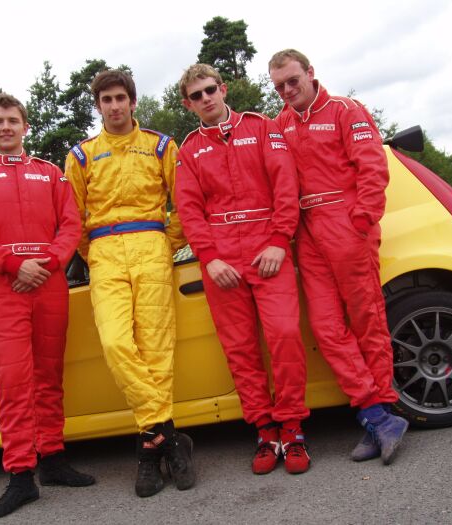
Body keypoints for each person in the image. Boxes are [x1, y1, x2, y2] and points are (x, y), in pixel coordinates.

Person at [0, 93, 94, 518]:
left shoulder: (50, 174)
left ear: (25, 126)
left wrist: (49, 263)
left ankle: (52, 460)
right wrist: (15, 263)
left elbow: (71, 224)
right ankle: (20, 476)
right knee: (13, 382)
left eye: (13, 120)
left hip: (49, 285)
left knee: (50, 376)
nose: (6, 127)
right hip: (5, 287)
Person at [268, 49, 409, 464]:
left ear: (311, 74)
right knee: (327, 328)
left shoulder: (346, 110)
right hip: (308, 230)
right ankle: (375, 415)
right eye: (279, 86)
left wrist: (361, 220)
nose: (287, 91)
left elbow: (372, 166)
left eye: (293, 81)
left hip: (346, 222)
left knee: (367, 319)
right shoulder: (280, 124)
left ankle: (381, 409)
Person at [64, 70, 195, 497]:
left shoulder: (161, 146)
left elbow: (186, 203)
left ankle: (148, 450)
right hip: (105, 253)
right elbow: (73, 218)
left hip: (152, 247)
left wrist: (165, 240)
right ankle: (168, 436)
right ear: (98, 105)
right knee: (118, 343)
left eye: (121, 98)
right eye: (107, 100)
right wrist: (94, 251)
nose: (115, 106)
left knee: (156, 349)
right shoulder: (81, 156)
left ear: (133, 102)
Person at [175, 63, 311, 475]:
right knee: (240, 350)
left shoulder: (262, 128)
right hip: (222, 262)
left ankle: (293, 428)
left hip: (267, 253)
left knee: (285, 336)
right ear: (188, 104)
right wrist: (209, 257)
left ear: (223, 88)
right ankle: (265, 430)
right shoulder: (188, 150)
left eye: (210, 90)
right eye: (196, 96)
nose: (206, 99)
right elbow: (189, 209)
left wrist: (277, 240)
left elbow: (286, 185)